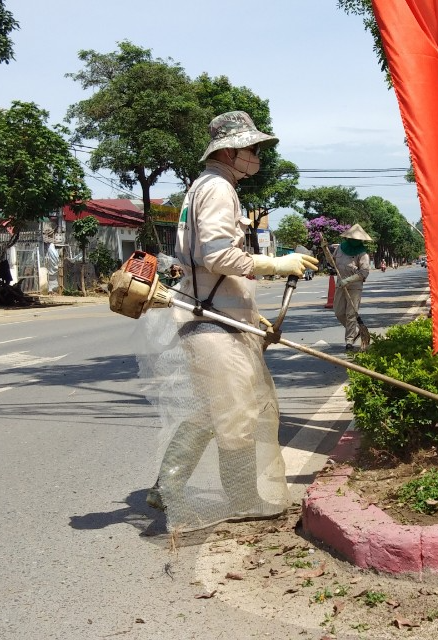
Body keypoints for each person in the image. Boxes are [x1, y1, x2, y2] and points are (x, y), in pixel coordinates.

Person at [135, 111, 318, 531]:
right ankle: (242, 498)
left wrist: (255, 317)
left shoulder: (205, 186)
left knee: (211, 409)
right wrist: (275, 262)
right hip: (212, 320)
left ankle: (166, 486)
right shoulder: (217, 189)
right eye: (252, 149)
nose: (256, 156)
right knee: (237, 414)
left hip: (216, 316)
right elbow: (217, 256)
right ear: (232, 151)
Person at [330, 224, 373, 352]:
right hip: (340, 285)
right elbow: (333, 262)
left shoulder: (362, 253)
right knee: (338, 312)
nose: (354, 241)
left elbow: (364, 272)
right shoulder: (340, 249)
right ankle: (355, 332)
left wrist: (348, 280)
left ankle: (349, 341)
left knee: (350, 314)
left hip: (354, 286)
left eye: (357, 239)